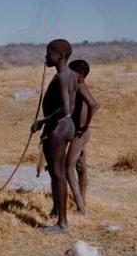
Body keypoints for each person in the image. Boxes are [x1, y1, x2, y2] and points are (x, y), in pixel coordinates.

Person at [31, 39, 77, 234]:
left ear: (60, 56)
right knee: (55, 172)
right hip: (67, 127)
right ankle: (57, 210)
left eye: (49, 53)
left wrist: (42, 122)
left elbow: (66, 108)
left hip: (59, 127)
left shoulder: (61, 78)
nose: (46, 57)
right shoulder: (70, 75)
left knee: (58, 174)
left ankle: (62, 223)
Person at [67, 60, 100, 215]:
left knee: (68, 168)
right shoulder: (76, 87)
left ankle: (80, 208)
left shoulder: (80, 86)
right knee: (81, 168)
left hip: (80, 134)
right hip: (79, 132)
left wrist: (85, 125)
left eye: (71, 72)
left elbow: (94, 105)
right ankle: (83, 202)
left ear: (79, 75)